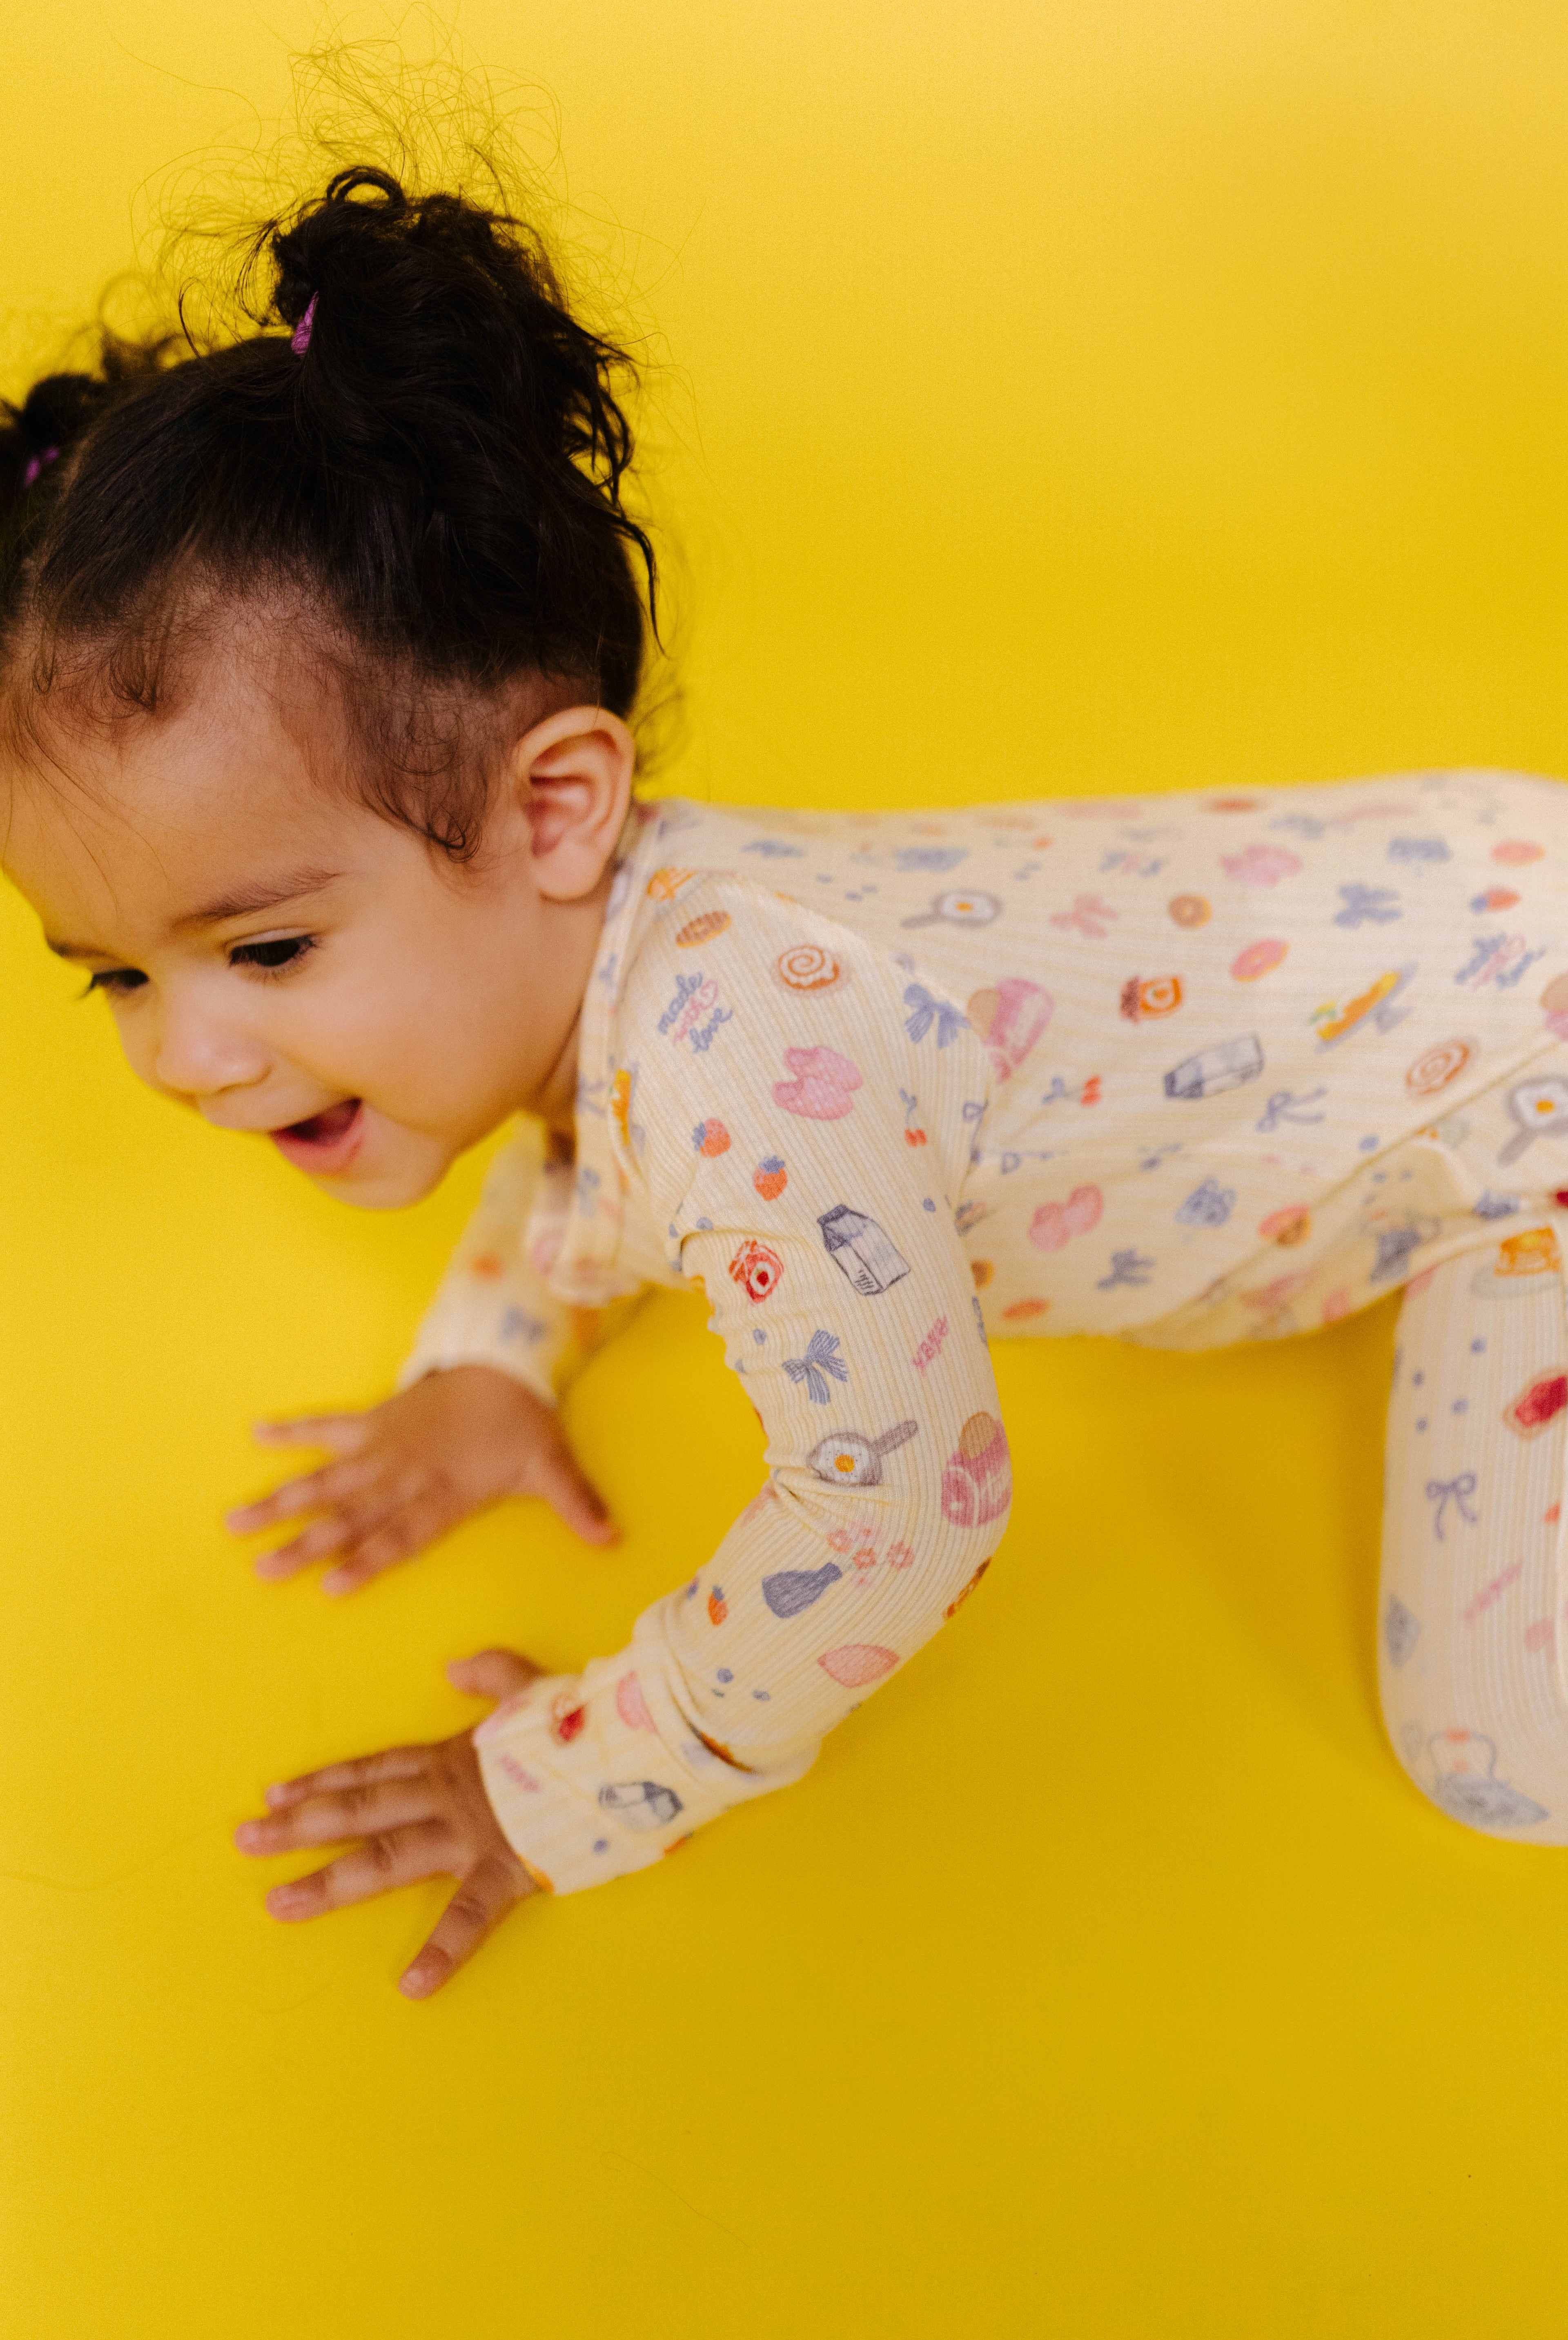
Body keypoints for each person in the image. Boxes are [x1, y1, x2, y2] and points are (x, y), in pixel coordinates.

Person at [5, 169, 1568, 2002]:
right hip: (1475, 884)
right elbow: (558, 1109)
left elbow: (900, 1507)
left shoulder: (739, 1057)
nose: (180, 1059)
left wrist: (574, 1776)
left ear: (555, 807)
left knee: (1503, 1762)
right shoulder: (590, 941)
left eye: (262, 951)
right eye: (116, 973)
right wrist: (489, 1361)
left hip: (1526, 1094)